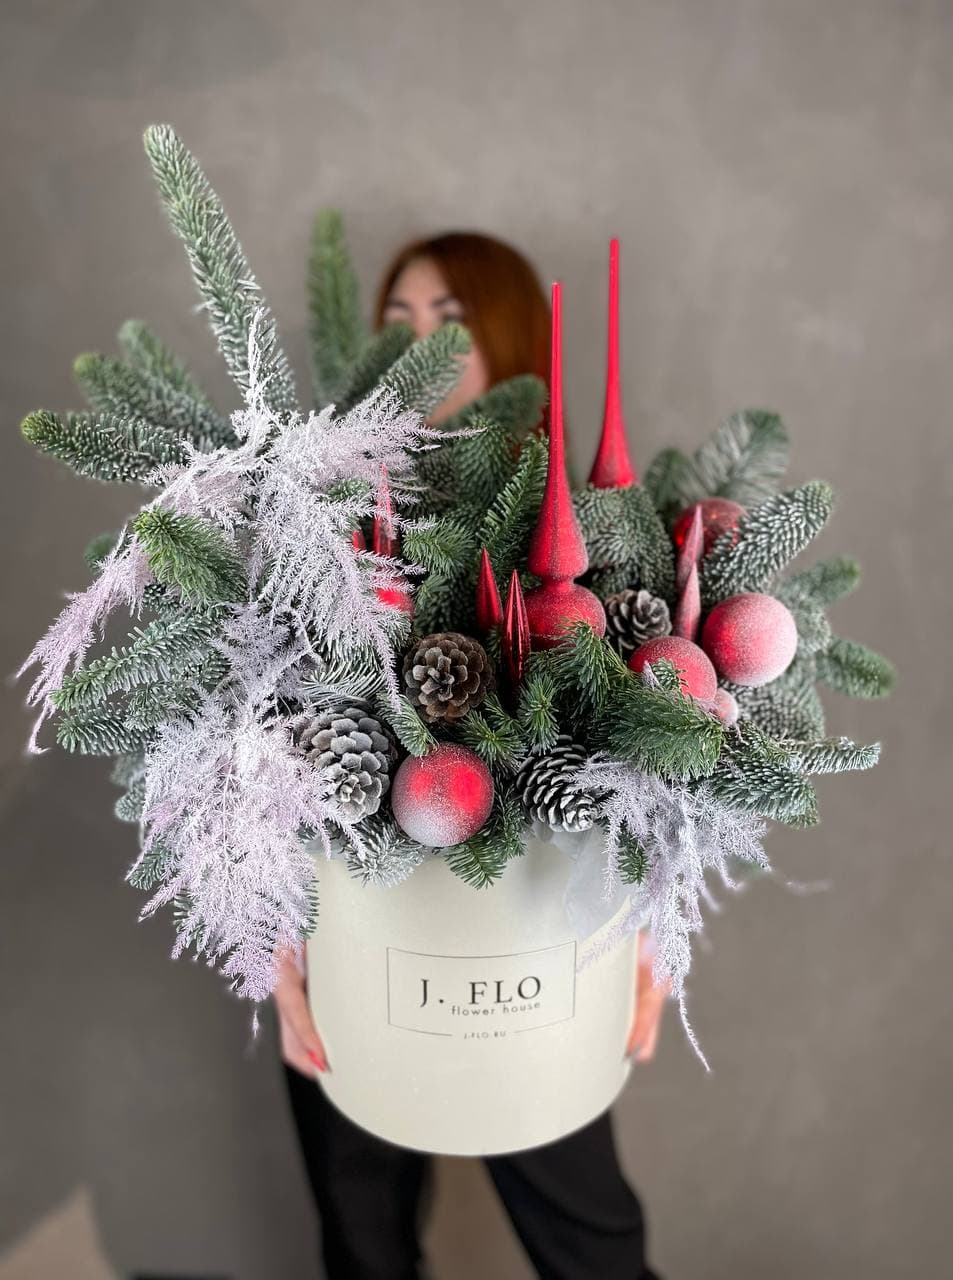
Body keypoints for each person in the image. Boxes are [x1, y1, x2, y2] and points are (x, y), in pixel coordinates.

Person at [274, 231, 669, 1280]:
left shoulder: (585, 538)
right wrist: (270, 951)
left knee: (591, 1240)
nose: (420, 348)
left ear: (510, 341)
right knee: (360, 1230)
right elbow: (254, 756)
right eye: (398, 322)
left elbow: (665, 770)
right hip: (350, 940)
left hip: (535, 950)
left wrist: (657, 936)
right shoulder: (319, 534)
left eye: (450, 323)